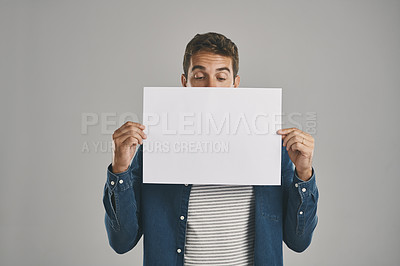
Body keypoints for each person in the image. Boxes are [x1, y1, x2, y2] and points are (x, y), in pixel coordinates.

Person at [103, 32, 318, 266]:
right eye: (199, 76)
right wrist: (120, 168)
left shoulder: (271, 150)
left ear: (235, 83)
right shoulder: (155, 149)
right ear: (185, 83)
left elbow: (299, 242)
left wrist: (303, 173)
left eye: (221, 77)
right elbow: (122, 241)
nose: (211, 87)